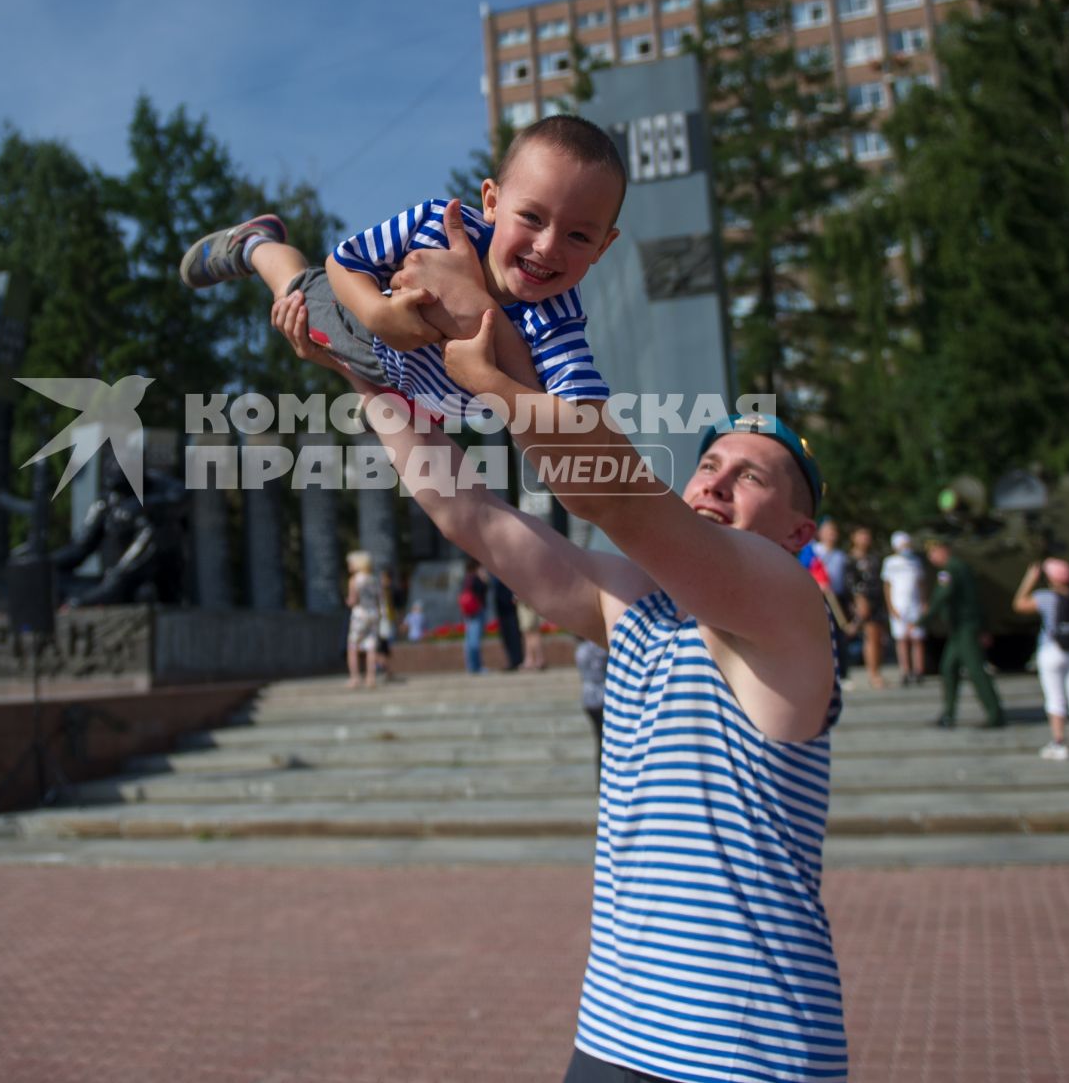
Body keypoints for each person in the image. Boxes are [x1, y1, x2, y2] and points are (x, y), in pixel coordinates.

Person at [305, 293, 846, 1078]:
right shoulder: (638, 610)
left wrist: (488, 372)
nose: (716, 484)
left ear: (798, 533)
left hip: (744, 1050)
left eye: (750, 476)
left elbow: (604, 494)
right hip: (615, 1034)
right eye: (707, 466)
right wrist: (360, 366)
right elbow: (469, 513)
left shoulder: (790, 608)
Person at [179, 115, 624, 419]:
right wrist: (378, 314)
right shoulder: (436, 224)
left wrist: (497, 384)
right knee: (295, 288)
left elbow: (575, 416)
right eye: (532, 217)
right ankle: (253, 244)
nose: (548, 247)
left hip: (423, 398)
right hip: (364, 333)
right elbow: (343, 261)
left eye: (579, 236)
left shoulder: (559, 318)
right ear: (491, 201)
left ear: (603, 247)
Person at [1012, 559, 1069, 760]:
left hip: (1052, 650)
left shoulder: (1046, 597)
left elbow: (1018, 604)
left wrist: (1029, 579)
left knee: (1055, 699)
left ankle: (1059, 743)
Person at [924, 536, 1005, 729]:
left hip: (966, 628)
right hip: (959, 628)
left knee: (976, 670)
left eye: (933, 552)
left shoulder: (951, 569)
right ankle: (949, 714)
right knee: (948, 668)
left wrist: (923, 620)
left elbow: (942, 596)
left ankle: (995, 714)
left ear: (943, 550)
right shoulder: (958, 567)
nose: (931, 557)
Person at [843, 525, 888, 690]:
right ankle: (873, 673)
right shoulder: (850, 559)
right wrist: (859, 601)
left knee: (879, 637)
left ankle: (877, 670)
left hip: (877, 600)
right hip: (863, 600)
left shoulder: (874, 558)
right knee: (870, 636)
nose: (865, 539)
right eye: (861, 535)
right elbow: (850, 583)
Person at [882, 532, 928, 686]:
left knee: (917, 638)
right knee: (902, 639)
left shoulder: (916, 561)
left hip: (914, 604)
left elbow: (921, 584)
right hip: (898, 604)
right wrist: (890, 606)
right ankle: (905, 671)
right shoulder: (890, 562)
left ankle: (919, 671)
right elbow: (887, 586)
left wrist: (923, 602)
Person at [343, 551, 383, 690]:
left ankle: (355, 678)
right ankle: (370, 678)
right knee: (371, 647)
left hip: (360, 614)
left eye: (350, 563)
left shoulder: (354, 579)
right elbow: (379, 599)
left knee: (353, 647)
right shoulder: (373, 578)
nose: (349, 565)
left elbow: (353, 600)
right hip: (373, 613)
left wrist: (348, 602)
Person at [572, 638, 607, 784]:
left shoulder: (581, 650)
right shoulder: (598, 648)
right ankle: (602, 779)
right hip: (602, 694)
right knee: (603, 741)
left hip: (587, 696)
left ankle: (600, 781)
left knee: (599, 740)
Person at [457, 562, 489, 674]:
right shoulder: (476, 579)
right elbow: (482, 591)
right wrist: (484, 580)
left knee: (469, 640)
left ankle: (471, 666)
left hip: (468, 612)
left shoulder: (466, 578)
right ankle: (477, 666)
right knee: (474, 640)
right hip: (476, 611)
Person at [490, 574, 526, 671]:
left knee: (514, 635)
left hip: (510, 609)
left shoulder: (508, 575)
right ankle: (512, 661)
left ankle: (517, 660)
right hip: (502, 610)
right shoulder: (495, 576)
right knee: (506, 636)